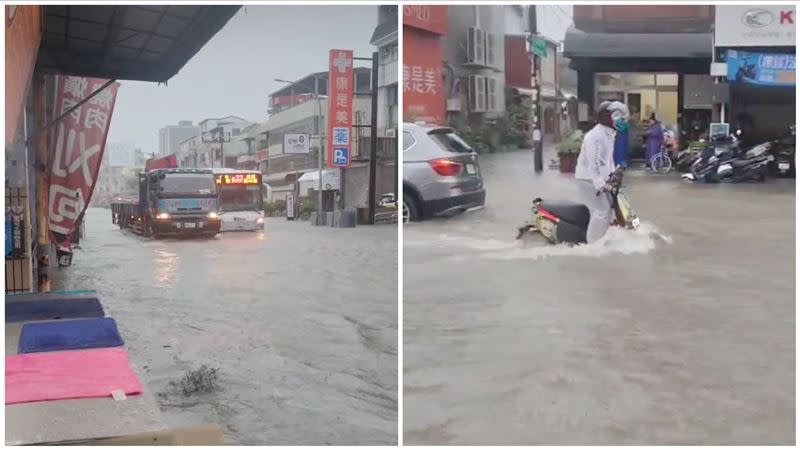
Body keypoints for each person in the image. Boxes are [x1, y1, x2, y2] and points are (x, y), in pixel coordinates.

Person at [575, 101, 629, 243]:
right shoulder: (595, 136)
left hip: (601, 179)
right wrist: (600, 183)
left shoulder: (610, 134)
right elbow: (594, 163)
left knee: (611, 209)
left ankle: (603, 239)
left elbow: (607, 159)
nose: (624, 122)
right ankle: (593, 246)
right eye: (621, 118)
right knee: (602, 211)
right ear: (609, 117)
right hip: (588, 178)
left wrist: (614, 173)